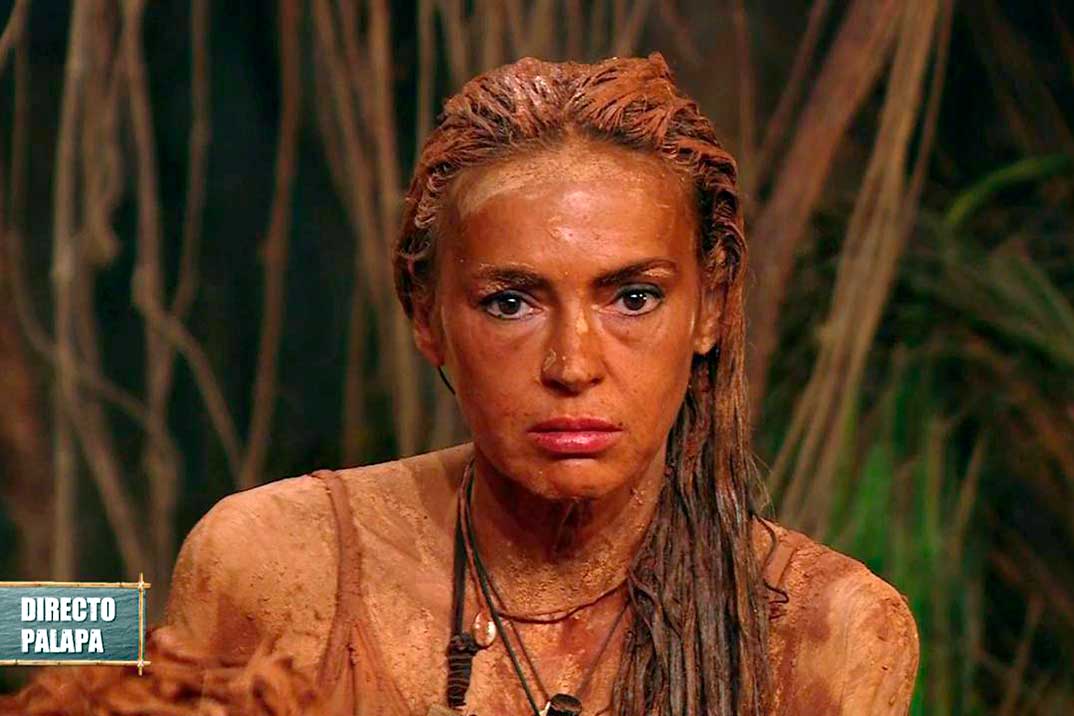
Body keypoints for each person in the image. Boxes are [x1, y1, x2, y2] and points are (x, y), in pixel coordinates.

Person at [162, 54, 919, 716]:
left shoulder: (827, 631)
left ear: (710, 309)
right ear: (426, 316)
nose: (572, 365)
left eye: (634, 298)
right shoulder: (276, 567)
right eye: (510, 304)